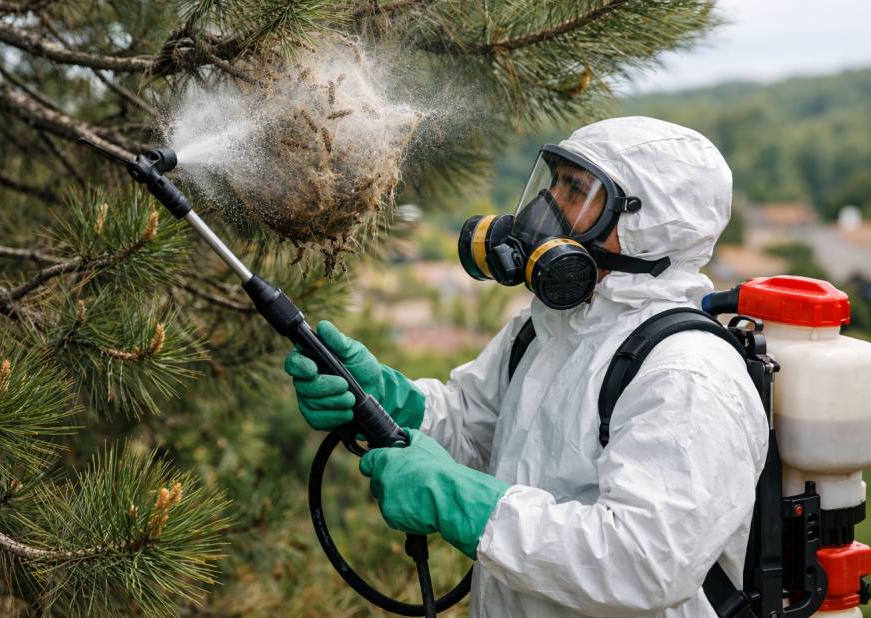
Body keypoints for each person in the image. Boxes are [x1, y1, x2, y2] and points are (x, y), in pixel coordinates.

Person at [283, 116, 769, 617]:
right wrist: (385, 401)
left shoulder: (687, 375)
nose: (547, 208)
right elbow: (472, 427)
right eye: (553, 181)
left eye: (576, 190)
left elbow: (644, 562)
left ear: (645, 226)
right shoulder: (546, 329)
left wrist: (466, 505)